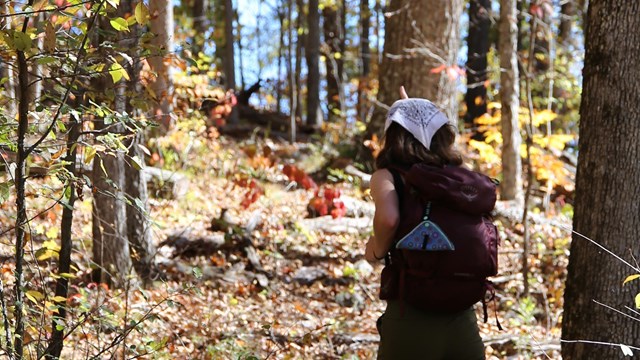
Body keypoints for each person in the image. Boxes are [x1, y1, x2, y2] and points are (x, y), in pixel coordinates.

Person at [365, 87, 485, 360]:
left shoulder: (388, 176)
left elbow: (389, 218)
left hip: (411, 314)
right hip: (462, 316)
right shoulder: (458, 178)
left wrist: (375, 250)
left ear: (393, 135)